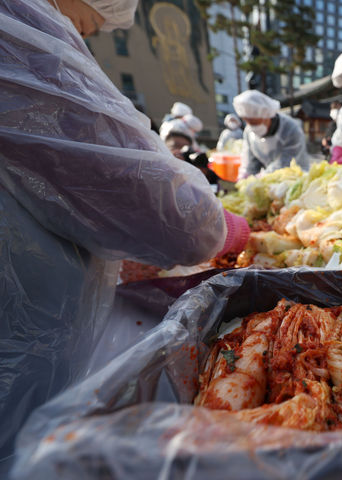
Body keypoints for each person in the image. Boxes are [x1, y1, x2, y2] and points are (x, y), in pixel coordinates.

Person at [0, 0, 250, 471]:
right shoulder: (22, 29)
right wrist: (223, 228)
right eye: (91, 25)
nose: (88, 36)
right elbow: (166, 210)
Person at [233, 90, 309, 175]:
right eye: (247, 121)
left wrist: (261, 177)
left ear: (266, 115)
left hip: (297, 177)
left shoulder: (290, 129)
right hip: (270, 180)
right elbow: (250, 163)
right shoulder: (249, 132)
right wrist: (245, 176)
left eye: (254, 122)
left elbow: (286, 162)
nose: (251, 125)